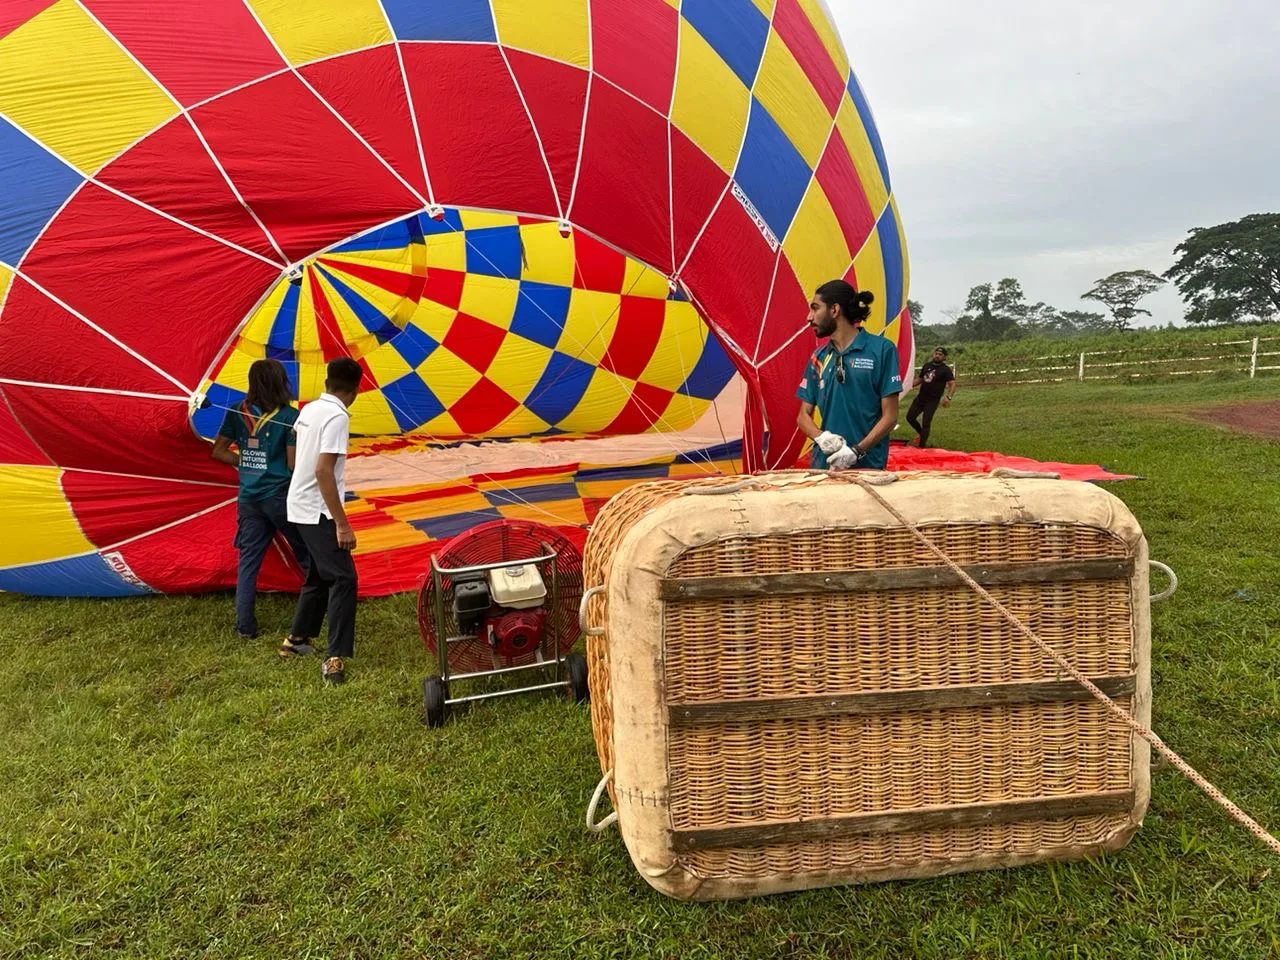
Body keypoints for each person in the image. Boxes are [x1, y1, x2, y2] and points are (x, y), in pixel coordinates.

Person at [211, 358, 309, 640]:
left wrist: (246, 463)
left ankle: (245, 627)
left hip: (249, 498)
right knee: (306, 552)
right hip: (281, 497)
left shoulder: (236, 410)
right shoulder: (290, 416)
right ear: (282, 382)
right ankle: (317, 608)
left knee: (248, 563)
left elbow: (218, 451)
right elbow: (292, 464)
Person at [280, 357, 363, 685]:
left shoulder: (310, 409)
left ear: (327, 382)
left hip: (298, 504)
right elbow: (323, 470)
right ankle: (334, 659)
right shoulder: (337, 417)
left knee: (318, 573)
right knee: (344, 578)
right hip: (317, 510)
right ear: (355, 391)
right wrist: (342, 524)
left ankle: (296, 641)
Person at [797, 280, 903, 471]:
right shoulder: (818, 357)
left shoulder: (882, 350)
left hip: (868, 468)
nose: (808, 318)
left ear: (835, 310)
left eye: (815, 308)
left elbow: (890, 416)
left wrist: (856, 452)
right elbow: (803, 415)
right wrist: (821, 437)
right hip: (824, 467)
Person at [905, 347, 957, 448]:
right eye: (936, 353)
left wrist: (948, 397)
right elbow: (920, 379)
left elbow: (952, 384)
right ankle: (922, 434)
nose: (937, 355)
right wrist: (907, 385)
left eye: (940, 354)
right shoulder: (926, 366)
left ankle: (921, 446)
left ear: (944, 357)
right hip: (920, 398)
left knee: (926, 422)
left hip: (932, 400)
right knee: (910, 417)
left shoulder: (945, 370)